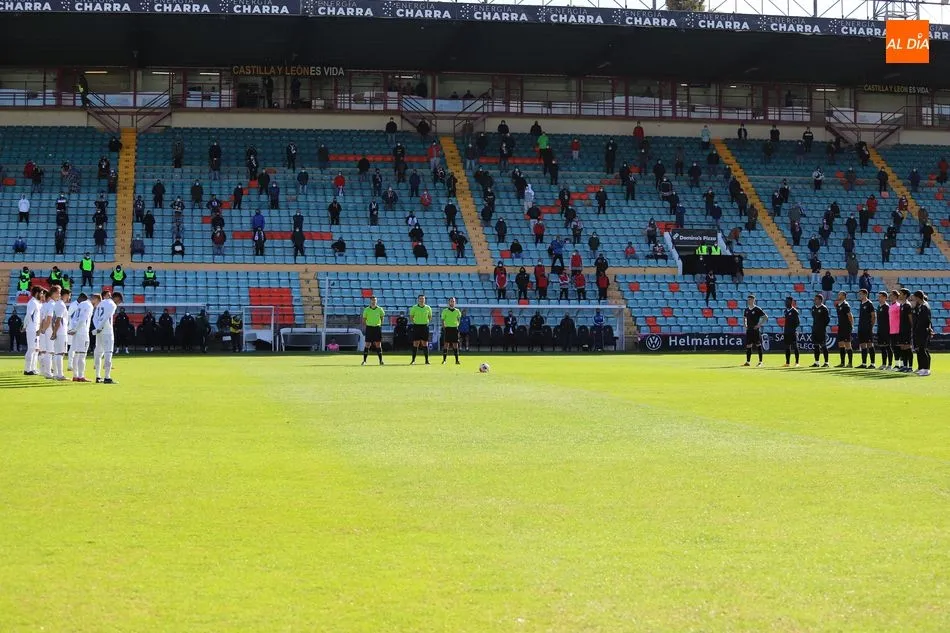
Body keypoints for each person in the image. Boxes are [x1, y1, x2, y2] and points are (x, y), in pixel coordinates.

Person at [93, 290, 121, 384]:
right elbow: (106, 317)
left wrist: (97, 328)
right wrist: (100, 327)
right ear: (117, 298)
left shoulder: (101, 303)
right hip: (107, 331)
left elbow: (95, 317)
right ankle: (107, 377)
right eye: (119, 301)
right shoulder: (112, 304)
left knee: (98, 353)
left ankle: (98, 376)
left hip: (99, 331)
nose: (118, 303)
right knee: (108, 353)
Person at [69, 293, 94, 381]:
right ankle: (81, 376)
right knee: (82, 355)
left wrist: (73, 329)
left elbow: (73, 318)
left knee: (76, 354)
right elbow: (82, 319)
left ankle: (75, 376)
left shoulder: (80, 305)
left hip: (76, 332)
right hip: (82, 332)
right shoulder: (89, 305)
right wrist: (75, 329)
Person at [911, 290, 934, 376]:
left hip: (923, 331)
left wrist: (929, 330)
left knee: (923, 350)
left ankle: (926, 369)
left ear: (918, 297)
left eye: (914, 297)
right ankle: (921, 368)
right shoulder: (920, 306)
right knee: (919, 350)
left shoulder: (925, 306)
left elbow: (927, 320)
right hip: (918, 331)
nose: (914, 299)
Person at [742, 294, 768, 367]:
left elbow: (765, 317)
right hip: (749, 330)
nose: (748, 301)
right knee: (748, 345)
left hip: (755, 330)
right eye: (748, 300)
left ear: (753, 300)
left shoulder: (757, 309)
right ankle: (748, 362)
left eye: (750, 299)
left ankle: (760, 362)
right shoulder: (746, 310)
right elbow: (744, 318)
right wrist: (745, 324)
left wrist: (759, 325)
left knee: (758, 345)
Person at [22, 286, 43, 375]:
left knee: (36, 349)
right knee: (31, 349)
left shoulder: (37, 303)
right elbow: (28, 315)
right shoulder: (32, 303)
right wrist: (24, 326)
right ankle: (27, 369)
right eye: (41, 293)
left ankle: (33, 368)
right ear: (37, 293)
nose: (42, 295)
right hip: (32, 328)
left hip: (36, 328)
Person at [361, 295, 385, 366]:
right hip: (369, 328)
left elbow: (382, 317)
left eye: (375, 300)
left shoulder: (380, 309)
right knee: (367, 344)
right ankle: (364, 361)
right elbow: (364, 319)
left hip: (377, 328)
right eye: (372, 300)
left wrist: (380, 325)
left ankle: (381, 361)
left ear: (376, 301)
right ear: (370, 301)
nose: (374, 301)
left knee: (378, 344)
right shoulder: (366, 309)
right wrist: (368, 325)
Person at [855, 289, 877, 369]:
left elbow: (873, 316)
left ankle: (873, 364)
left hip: (867, 328)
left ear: (865, 294)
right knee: (863, 345)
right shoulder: (861, 303)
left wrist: (871, 326)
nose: (859, 295)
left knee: (870, 345)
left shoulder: (869, 304)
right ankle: (864, 363)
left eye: (861, 294)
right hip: (861, 327)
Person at [409, 294, 432, 365]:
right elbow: (411, 316)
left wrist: (426, 322)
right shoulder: (414, 307)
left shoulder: (428, 308)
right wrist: (415, 322)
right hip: (417, 326)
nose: (422, 300)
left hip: (425, 327)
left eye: (423, 299)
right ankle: (413, 360)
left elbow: (430, 317)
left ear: (425, 300)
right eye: (420, 299)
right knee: (416, 343)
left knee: (425, 343)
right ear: (418, 300)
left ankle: (427, 360)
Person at [895, 288, 914, 373]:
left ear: (905, 295)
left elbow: (910, 318)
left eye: (901, 293)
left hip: (907, 330)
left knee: (908, 347)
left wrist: (912, 329)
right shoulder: (902, 305)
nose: (899, 295)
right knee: (902, 347)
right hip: (901, 329)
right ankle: (905, 366)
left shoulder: (907, 305)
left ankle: (910, 367)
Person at [834, 291, 854, 368]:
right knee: (841, 344)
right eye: (838, 294)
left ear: (844, 296)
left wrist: (851, 326)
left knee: (848, 344)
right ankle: (842, 363)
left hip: (846, 327)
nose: (838, 295)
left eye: (840, 294)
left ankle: (850, 363)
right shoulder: (838, 305)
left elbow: (850, 316)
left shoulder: (846, 305)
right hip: (841, 327)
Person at [440, 297, 463, 365]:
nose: (452, 302)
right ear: (449, 302)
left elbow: (459, 319)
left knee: (455, 344)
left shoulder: (457, 311)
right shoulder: (445, 311)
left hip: (454, 329)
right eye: (451, 301)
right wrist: (444, 327)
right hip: (447, 329)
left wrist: (457, 325)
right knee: (446, 344)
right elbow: (442, 320)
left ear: (455, 302)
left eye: (453, 301)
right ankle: (444, 360)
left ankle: (457, 360)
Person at [875, 291, 892, 371]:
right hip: (880, 329)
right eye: (878, 297)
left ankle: (890, 364)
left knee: (888, 347)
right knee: (882, 347)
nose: (879, 298)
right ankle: (884, 364)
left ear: (885, 297)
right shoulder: (879, 307)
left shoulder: (887, 307)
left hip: (886, 330)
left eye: (880, 296)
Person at [782, 297, 800, 367]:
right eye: (785, 301)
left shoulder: (794, 311)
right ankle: (787, 363)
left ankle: (797, 362)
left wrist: (793, 329)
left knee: (795, 346)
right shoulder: (785, 311)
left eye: (787, 301)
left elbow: (798, 322)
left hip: (792, 332)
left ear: (791, 302)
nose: (785, 303)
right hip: (786, 332)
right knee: (787, 347)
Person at [888, 290, 902, 372]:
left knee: (898, 348)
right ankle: (897, 364)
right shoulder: (891, 306)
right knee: (894, 347)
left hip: (897, 330)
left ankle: (900, 365)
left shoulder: (898, 306)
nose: (890, 296)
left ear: (896, 296)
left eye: (892, 295)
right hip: (892, 330)